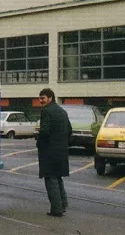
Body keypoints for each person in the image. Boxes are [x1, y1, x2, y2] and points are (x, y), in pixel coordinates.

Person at [36, 87, 72, 218]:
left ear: (50, 98)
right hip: (61, 151)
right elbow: (69, 130)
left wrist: (38, 141)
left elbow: (44, 131)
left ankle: (56, 209)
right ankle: (62, 205)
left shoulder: (46, 111)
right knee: (58, 178)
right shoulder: (62, 111)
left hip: (49, 151)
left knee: (50, 179)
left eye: (43, 98)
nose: (40, 101)